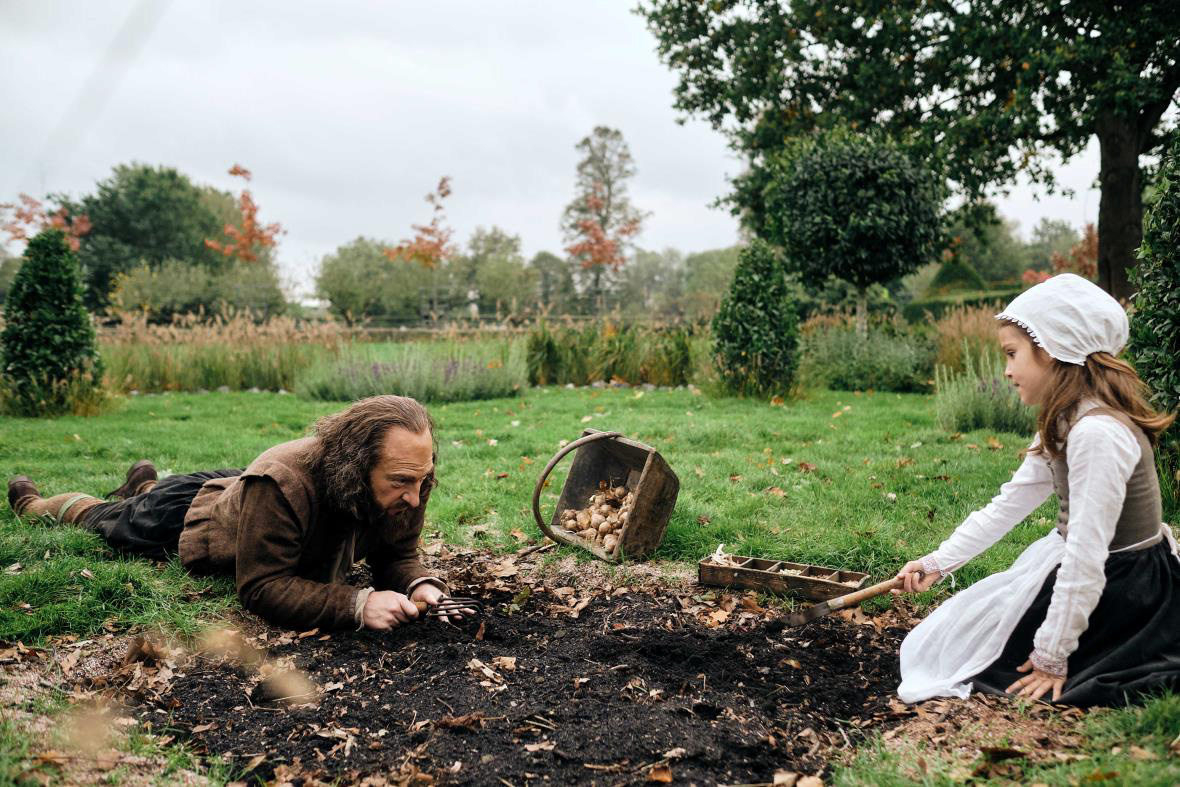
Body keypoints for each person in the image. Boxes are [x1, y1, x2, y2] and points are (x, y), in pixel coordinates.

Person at [893, 273, 1179, 707]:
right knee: (943, 640)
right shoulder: (1065, 419)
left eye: (1012, 354)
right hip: (1091, 568)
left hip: (1124, 587)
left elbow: (1086, 556)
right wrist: (939, 562)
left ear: (1051, 350)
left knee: (986, 665)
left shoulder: (1097, 434)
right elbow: (1008, 505)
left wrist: (1052, 654)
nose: (1006, 370)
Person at [7, 395, 461, 632]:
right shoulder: (282, 482)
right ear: (354, 466)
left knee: (148, 494)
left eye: (421, 479)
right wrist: (357, 603)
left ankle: (144, 484)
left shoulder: (407, 476)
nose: (415, 497)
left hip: (249, 493)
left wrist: (418, 582)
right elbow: (262, 586)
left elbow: (396, 553)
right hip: (184, 517)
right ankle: (36, 503)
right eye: (401, 482)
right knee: (107, 519)